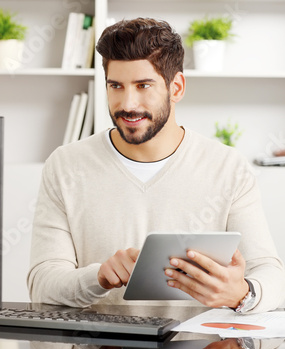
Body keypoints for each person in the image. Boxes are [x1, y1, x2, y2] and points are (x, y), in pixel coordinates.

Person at [27, 17, 285, 313]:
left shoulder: (228, 168)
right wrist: (97, 276)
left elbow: (271, 273)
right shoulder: (66, 165)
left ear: (176, 88)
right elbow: (42, 285)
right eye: (116, 86)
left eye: (143, 85)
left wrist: (242, 294)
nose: (128, 103)